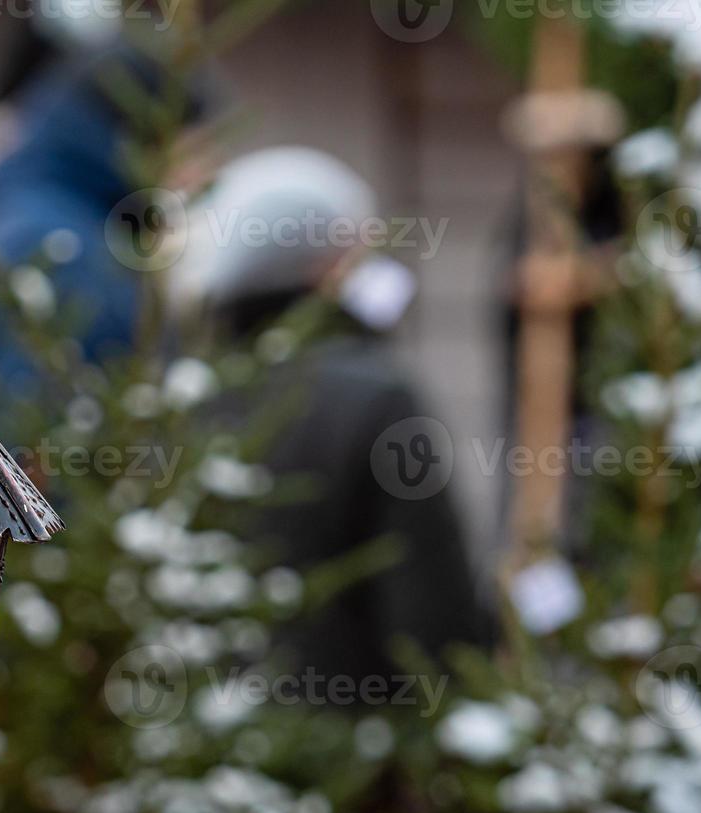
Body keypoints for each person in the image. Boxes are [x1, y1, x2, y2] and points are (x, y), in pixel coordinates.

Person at [174, 147, 492, 681]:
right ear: (326, 262)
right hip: (352, 741)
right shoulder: (378, 399)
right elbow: (433, 614)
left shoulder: (186, 393)